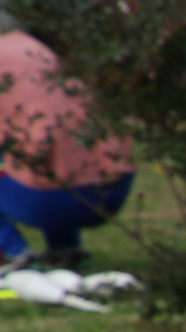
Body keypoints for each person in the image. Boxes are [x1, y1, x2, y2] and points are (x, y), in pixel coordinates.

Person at [0, 30, 133, 269]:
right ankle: (66, 251)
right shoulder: (32, 46)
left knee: (39, 154)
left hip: (56, 201)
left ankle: (14, 253)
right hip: (116, 188)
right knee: (57, 148)